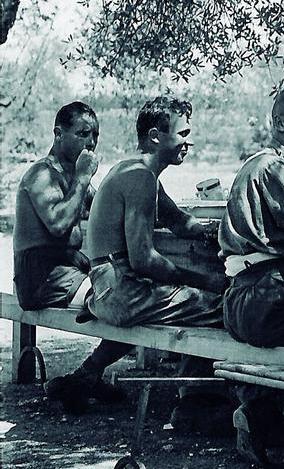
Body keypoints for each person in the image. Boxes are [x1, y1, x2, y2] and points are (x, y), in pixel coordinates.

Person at [84, 96, 230, 432]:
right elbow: (143, 259)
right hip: (118, 290)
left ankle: (83, 378)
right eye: (182, 133)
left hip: (109, 286)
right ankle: (196, 401)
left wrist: (216, 230)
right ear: (155, 136)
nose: (188, 141)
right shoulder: (140, 178)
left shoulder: (138, 171)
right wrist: (202, 281)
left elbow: (178, 222)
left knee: (192, 301)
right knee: (221, 307)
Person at [219, 86, 284, 464]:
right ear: (279, 124)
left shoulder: (278, 166)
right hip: (264, 294)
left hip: (248, 295)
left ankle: (260, 412)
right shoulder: (274, 168)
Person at [12, 101, 129, 413]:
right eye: (83, 134)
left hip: (68, 272)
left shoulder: (73, 175)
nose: (90, 143)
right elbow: (59, 223)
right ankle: (85, 377)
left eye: (95, 136)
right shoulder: (41, 175)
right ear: (58, 133)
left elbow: (104, 209)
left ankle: (84, 378)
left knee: (136, 291)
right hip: (41, 278)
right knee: (129, 302)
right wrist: (82, 177)